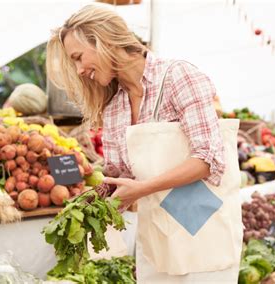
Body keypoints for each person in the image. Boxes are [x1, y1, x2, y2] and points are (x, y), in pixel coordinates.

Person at [46, 4, 242, 283]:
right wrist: (86, 200)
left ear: (104, 41)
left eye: (78, 57)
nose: (78, 70)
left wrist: (141, 189)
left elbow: (207, 160)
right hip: (158, 234)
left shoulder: (178, 76)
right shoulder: (114, 106)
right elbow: (121, 176)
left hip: (203, 227)